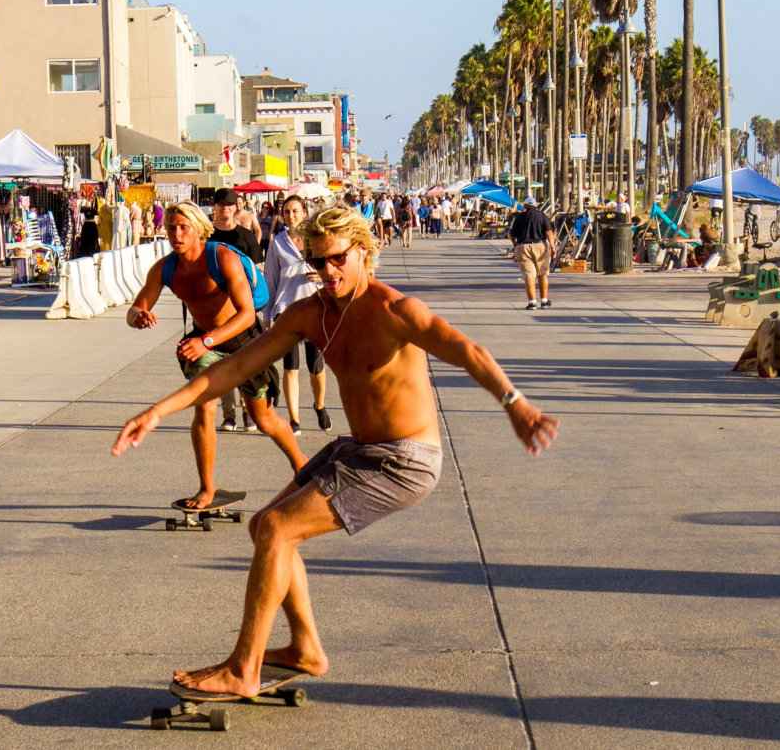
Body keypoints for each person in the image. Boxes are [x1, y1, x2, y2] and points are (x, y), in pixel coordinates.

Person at [112, 206, 558, 697]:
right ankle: (305, 647)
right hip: (359, 449)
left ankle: (244, 668)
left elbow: (468, 351)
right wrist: (156, 412)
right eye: (316, 263)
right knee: (265, 526)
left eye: (337, 260)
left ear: (364, 253)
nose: (327, 272)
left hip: (403, 460)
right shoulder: (311, 314)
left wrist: (516, 405)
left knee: (279, 530)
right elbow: (234, 368)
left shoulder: (396, 311)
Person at [126, 202, 306, 510]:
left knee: (263, 418)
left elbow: (247, 314)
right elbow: (136, 308)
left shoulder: (221, 258)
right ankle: (207, 488)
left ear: (199, 229)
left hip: (244, 342)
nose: (176, 234)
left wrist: (206, 341)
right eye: (171, 228)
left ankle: (303, 469)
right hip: (205, 343)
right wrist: (138, 316)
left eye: (184, 228)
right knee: (205, 408)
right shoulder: (166, 268)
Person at [264, 195, 332, 434]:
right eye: (286, 212)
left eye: (295, 211)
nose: (290, 216)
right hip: (287, 310)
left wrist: (321, 277)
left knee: (316, 367)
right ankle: (294, 420)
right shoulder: (277, 243)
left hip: (315, 308)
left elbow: (333, 269)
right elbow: (270, 280)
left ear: (304, 212)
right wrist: (267, 314)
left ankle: (320, 405)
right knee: (290, 367)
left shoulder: (317, 239)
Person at [210, 189, 267, 432]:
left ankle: (249, 412)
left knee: (245, 361)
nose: (225, 209)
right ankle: (229, 415)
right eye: (221, 205)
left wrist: (257, 306)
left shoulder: (246, 236)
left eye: (230, 205)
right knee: (221, 364)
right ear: (215, 207)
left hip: (244, 308)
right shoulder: (207, 237)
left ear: (236, 208)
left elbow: (258, 271)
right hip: (215, 308)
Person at [510, 195, 555, 310]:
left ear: (525, 206)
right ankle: (544, 301)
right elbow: (549, 232)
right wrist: (553, 246)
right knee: (543, 274)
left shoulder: (519, 217)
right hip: (541, 246)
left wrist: (515, 246)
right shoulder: (542, 216)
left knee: (529, 276)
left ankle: (532, 302)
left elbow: (511, 234)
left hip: (523, 247)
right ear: (535, 206)